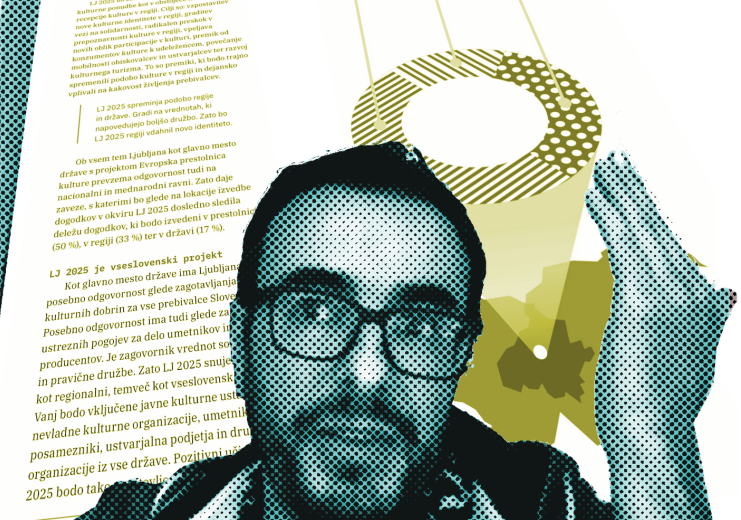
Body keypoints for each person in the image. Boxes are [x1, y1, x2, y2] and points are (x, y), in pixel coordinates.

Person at [78, 142, 734, 519]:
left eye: (421, 324)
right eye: (315, 312)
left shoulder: (543, 503)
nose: (368, 373)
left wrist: (651, 433)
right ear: (239, 345)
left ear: (463, 354)